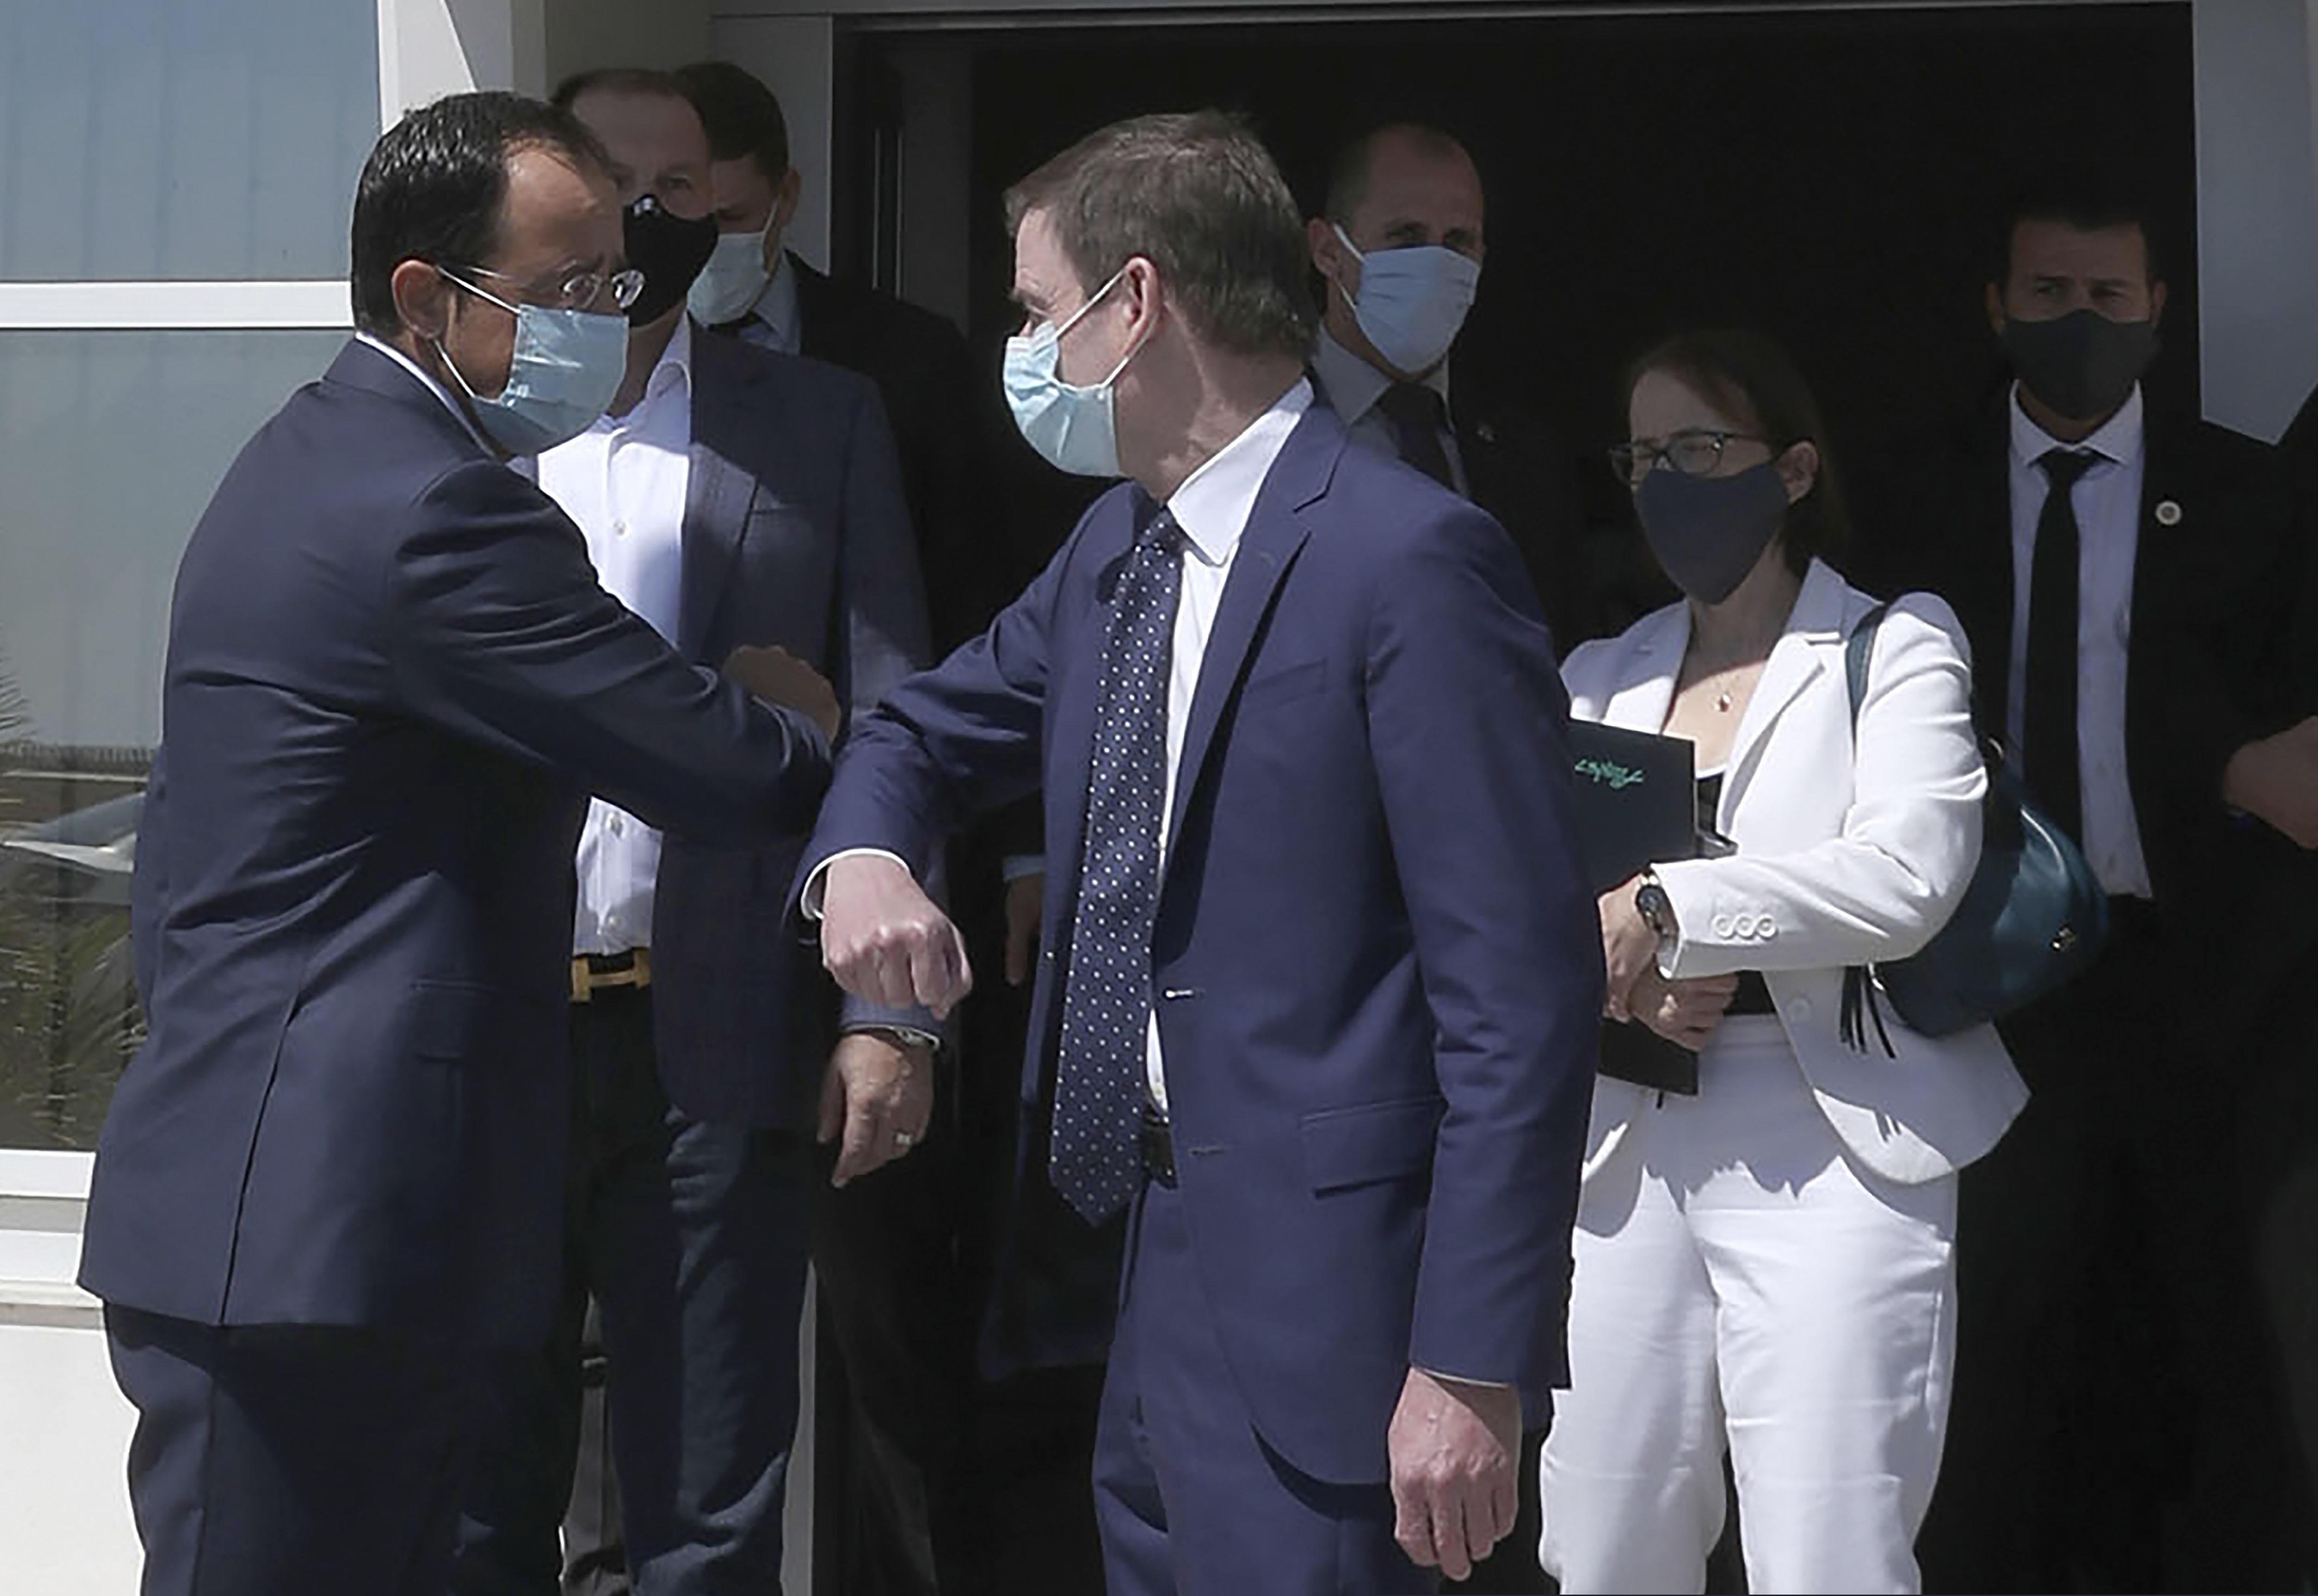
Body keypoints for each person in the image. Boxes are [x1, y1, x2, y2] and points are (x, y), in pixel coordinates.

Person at [802, 109, 1602, 1595]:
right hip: (1121, 1272)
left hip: (1339, 1321)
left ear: (1138, 303)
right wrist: (862, 862)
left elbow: (1519, 995)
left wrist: (1472, 1362)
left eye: (1040, 310)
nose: (1023, 348)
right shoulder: (1115, 548)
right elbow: (914, 732)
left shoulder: (1408, 558)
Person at [75, 91, 838, 1596]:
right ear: (427, 296)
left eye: (620, 284)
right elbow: (711, 766)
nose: (608, 324)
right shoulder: (429, 509)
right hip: (312, 1245)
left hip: (325, 1224)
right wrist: (782, 711)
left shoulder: (314, 459)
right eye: (568, 292)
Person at [444, 70, 934, 1596]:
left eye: (679, 198)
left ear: (726, 211)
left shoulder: (823, 423)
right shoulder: (455, 430)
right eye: (613, 193)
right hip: (489, 1031)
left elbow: (895, 722)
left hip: (714, 1032)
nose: (645, 228)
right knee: (475, 1491)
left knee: (710, 1505)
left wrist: (884, 1014)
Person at [680, 57, 1080, 1596]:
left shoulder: (897, 372)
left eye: (689, 200)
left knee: (885, 1321)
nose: (656, 237)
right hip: (632, 977)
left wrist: (1019, 851)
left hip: (870, 929)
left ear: (776, 197)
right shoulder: (548, 414)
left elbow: (981, 641)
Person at [1538, 328, 2025, 1594]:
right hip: (1627, 1137)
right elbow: (1518, 899)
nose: (1667, 482)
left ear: (1794, 468)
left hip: (1837, 1137)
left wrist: (1666, 904)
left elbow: (1909, 871)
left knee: (1829, 1552)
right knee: (1601, 1543)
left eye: (1700, 447)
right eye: (1644, 455)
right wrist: (1621, 964)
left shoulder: (1896, 644)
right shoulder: (1596, 677)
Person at [1875, 180, 2307, 1592]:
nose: (2080, 323)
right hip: (1981, 986)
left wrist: (2217, 766)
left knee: (2208, 1338)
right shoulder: (1909, 490)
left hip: (2192, 990)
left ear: (2156, 312)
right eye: (2049, 295)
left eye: (2108, 297)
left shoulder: (2252, 492)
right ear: (1994, 307)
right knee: (1993, 1340)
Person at [1304, 121, 1588, 647]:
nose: (1434, 263)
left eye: (1457, 242)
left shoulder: (1525, 454)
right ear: (1326, 250)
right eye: (1405, 237)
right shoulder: (1255, 428)